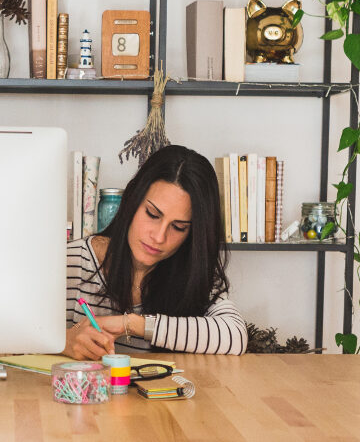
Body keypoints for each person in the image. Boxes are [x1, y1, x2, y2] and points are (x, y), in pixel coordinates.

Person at [64, 145, 247, 359]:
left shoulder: (192, 274)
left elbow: (235, 335)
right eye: (152, 214)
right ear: (132, 201)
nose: (159, 237)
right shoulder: (72, 261)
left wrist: (132, 324)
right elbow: (17, 334)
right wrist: (64, 342)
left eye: (179, 227)